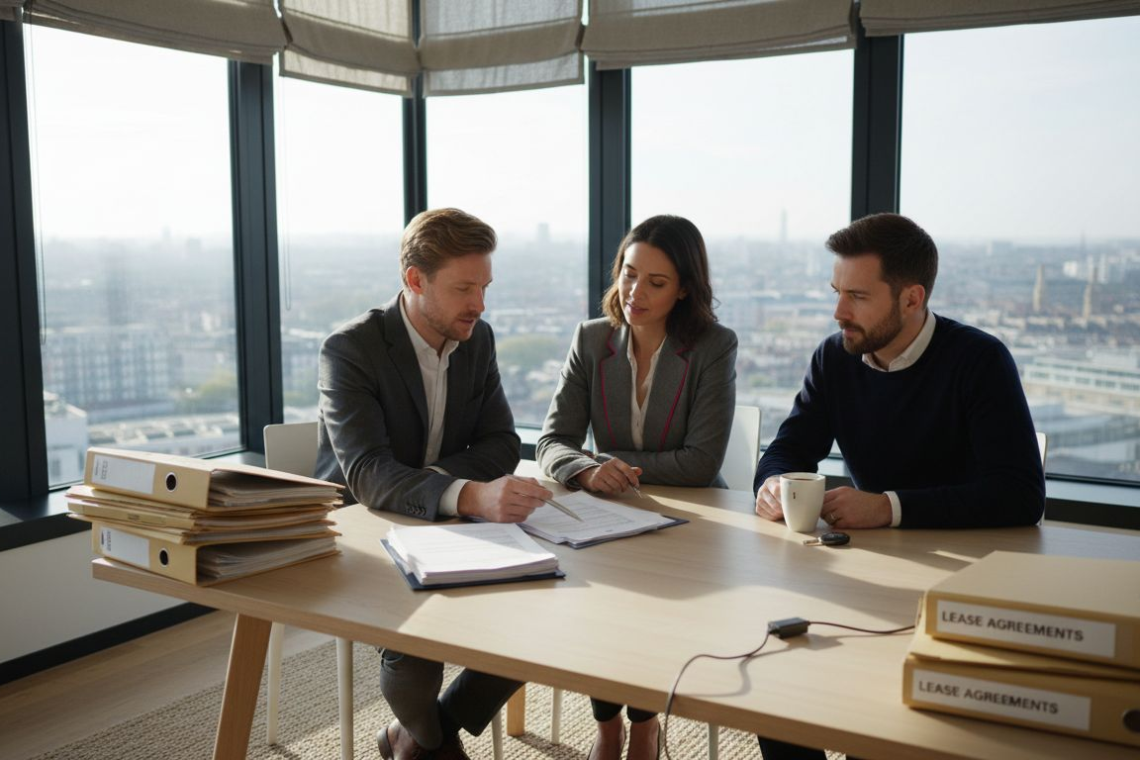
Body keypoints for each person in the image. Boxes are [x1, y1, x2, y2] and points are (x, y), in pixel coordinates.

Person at [753, 212, 1045, 760]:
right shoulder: (835, 357)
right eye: (837, 292)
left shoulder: (979, 361)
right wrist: (772, 483)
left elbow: (1020, 494)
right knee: (778, 688)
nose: (839, 311)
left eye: (858, 296)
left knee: (884, 726)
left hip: (964, 583)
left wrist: (888, 508)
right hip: (869, 575)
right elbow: (788, 449)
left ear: (911, 299)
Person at [315, 207, 552, 760]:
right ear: (415, 280)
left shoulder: (478, 339)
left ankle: (418, 736)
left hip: (447, 523)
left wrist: (437, 486)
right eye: (464, 287)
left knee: (544, 604)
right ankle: (435, 746)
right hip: (361, 531)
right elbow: (369, 474)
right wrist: (468, 492)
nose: (480, 304)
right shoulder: (351, 349)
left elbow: (501, 442)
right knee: (419, 641)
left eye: (485, 286)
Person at [537, 214, 738, 760]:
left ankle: (645, 725)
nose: (635, 292)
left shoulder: (713, 346)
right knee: (605, 599)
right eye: (629, 274)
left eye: (656, 282)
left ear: (685, 289)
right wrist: (582, 470)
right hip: (610, 511)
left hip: (692, 522)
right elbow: (551, 442)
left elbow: (699, 464)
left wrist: (609, 461)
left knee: (653, 602)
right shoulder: (592, 338)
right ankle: (608, 727)